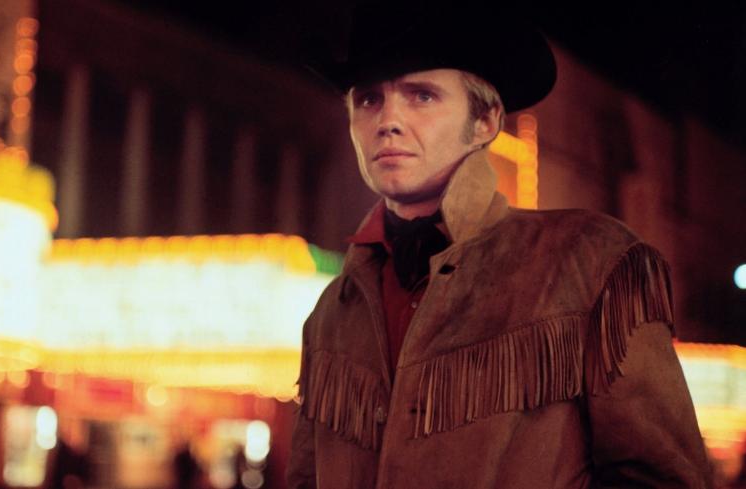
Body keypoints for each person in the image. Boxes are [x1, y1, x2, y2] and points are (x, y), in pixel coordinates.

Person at [287, 3, 711, 488]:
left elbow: (664, 480)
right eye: (368, 100)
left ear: (486, 121)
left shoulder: (590, 261)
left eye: (421, 96)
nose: (388, 120)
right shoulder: (332, 312)